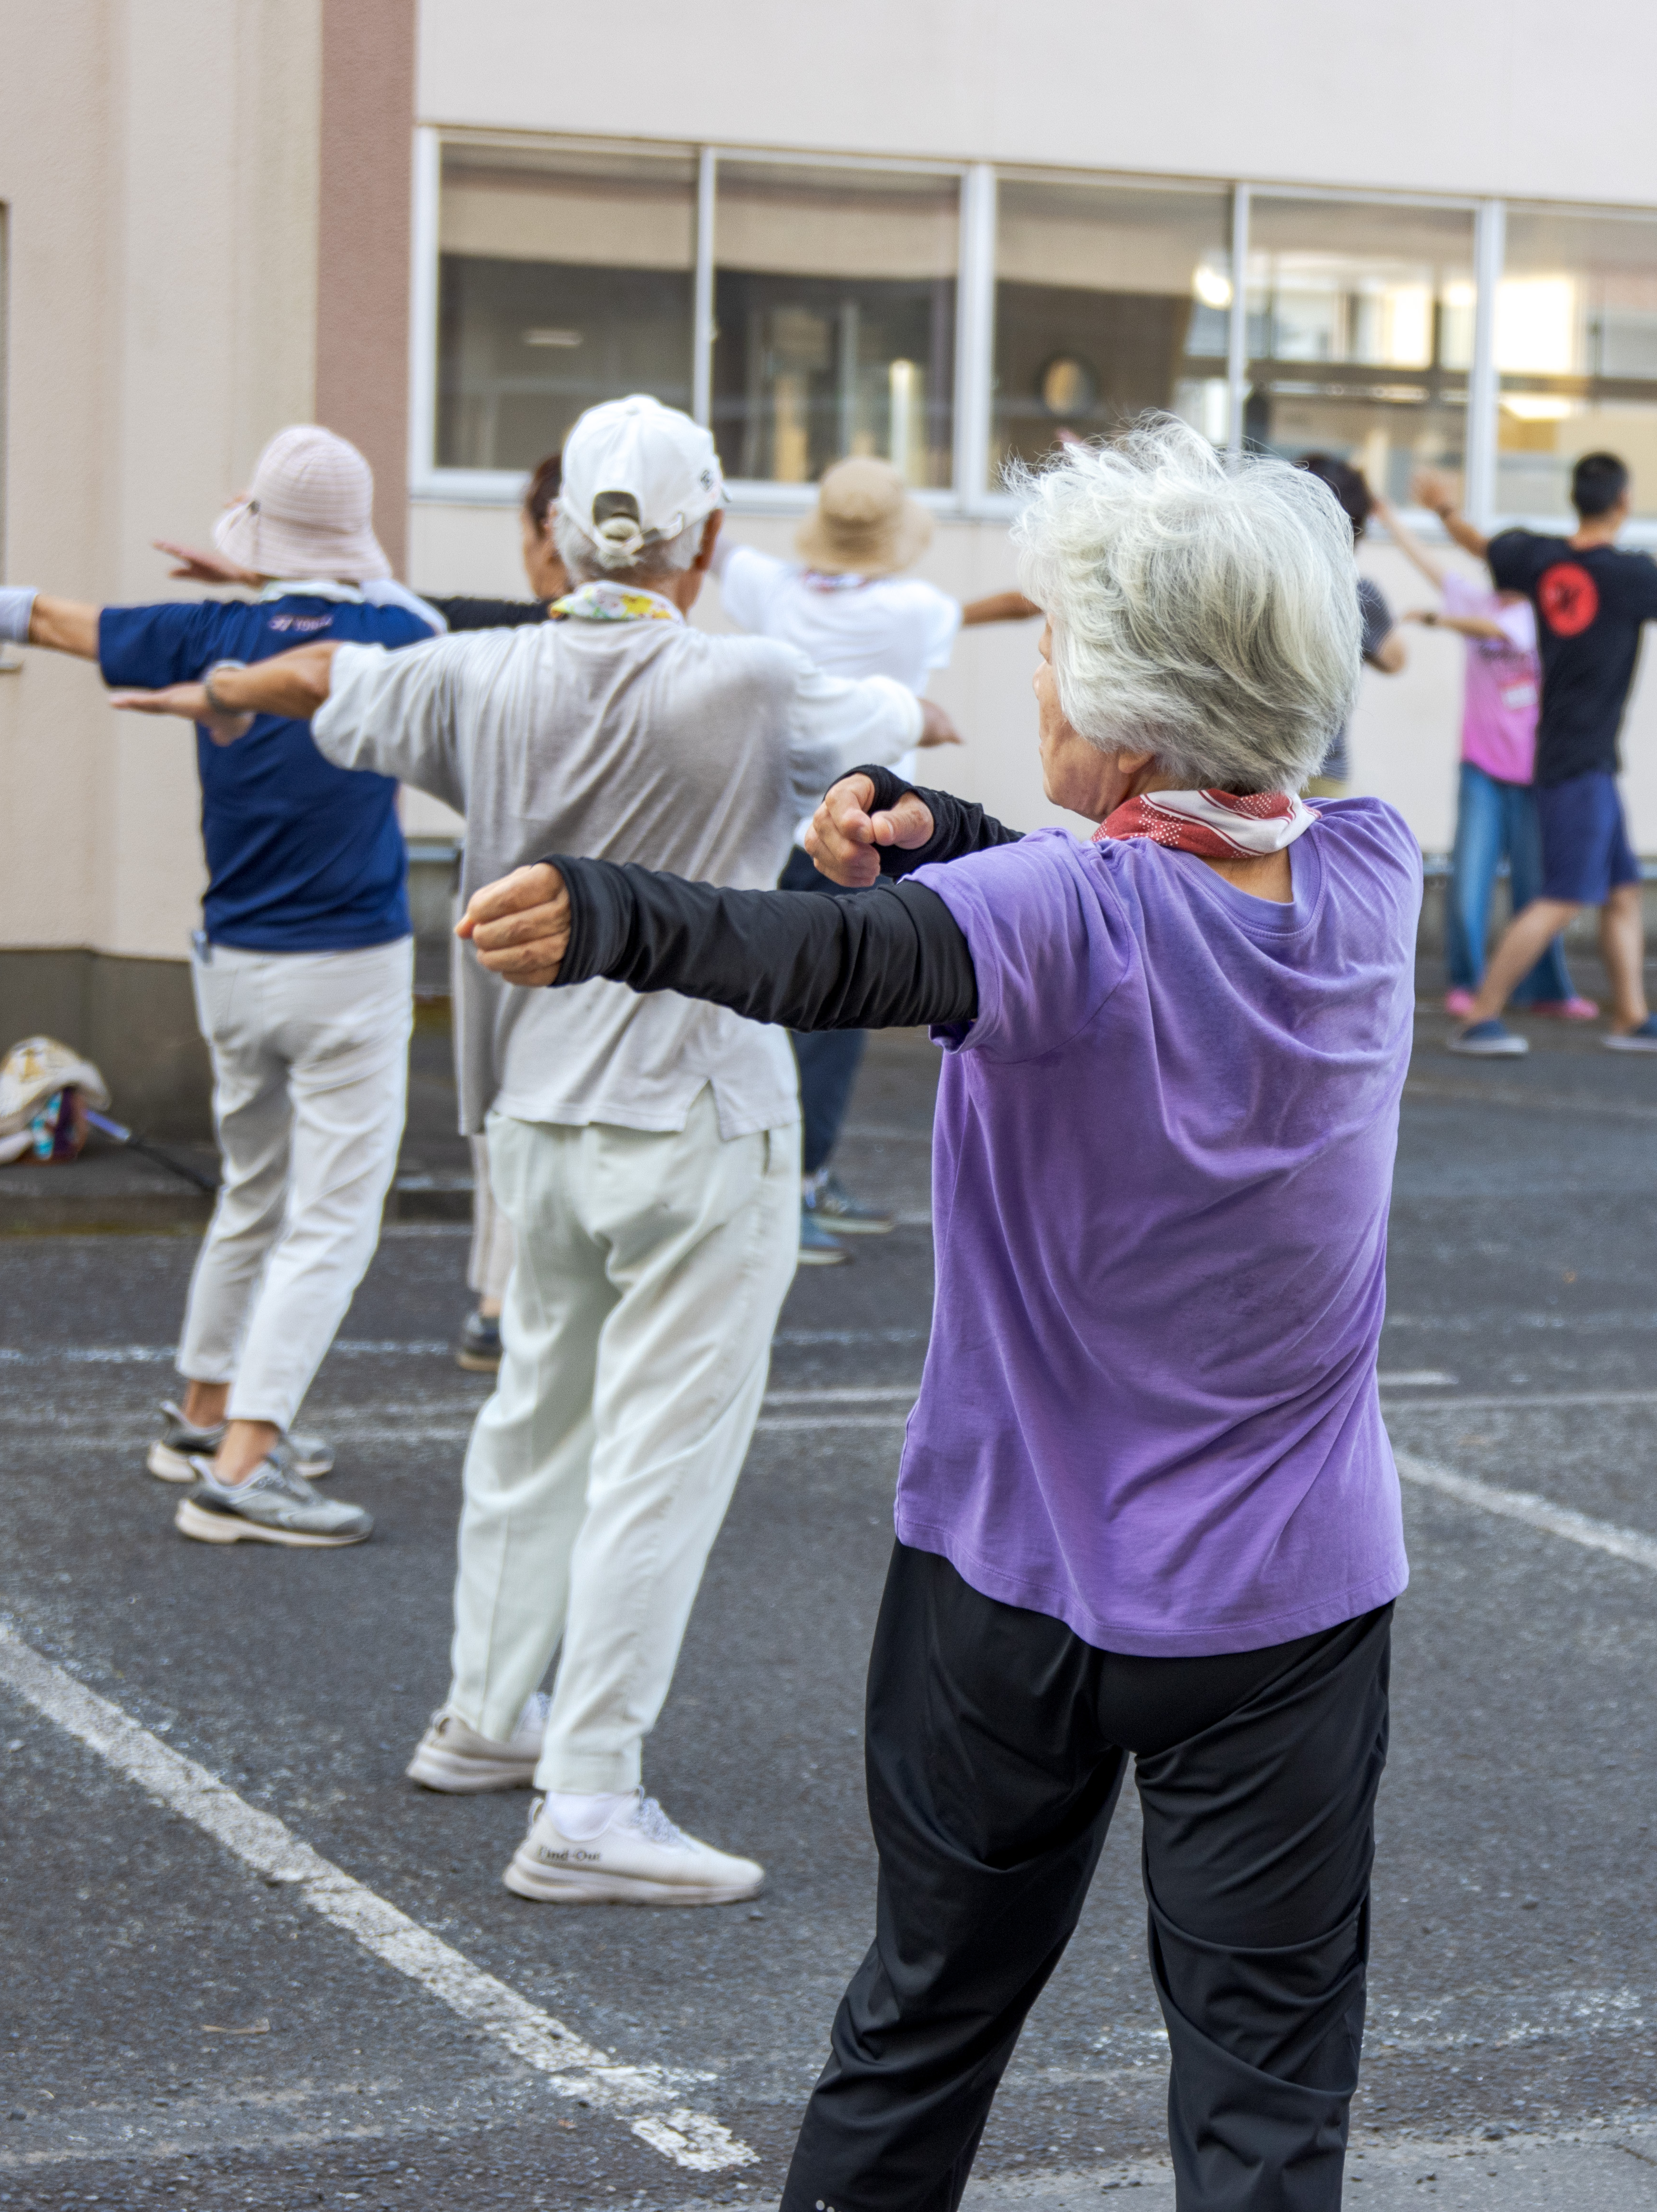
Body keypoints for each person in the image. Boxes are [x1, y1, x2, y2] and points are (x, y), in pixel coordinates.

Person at [453, 417, 1412, 2211]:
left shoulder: (1056, 914)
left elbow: (826, 955)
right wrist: (944, 829)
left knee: (921, 2029)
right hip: (1284, 1607)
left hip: (1009, 1584)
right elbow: (1121, 875)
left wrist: (608, 910)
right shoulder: (1368, 873)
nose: (1032, 668)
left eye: (1052, 642)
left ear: (1120, 710)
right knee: (1267, 2096)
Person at [112, 395, 942, 1901]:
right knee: (660, 1457)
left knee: (539, 1421)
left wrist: (221, 678)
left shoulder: (479, 670)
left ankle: (490, 1715)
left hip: (538, 1111)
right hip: (702, 1110)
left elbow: (327, 671)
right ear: (702, 539)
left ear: (561, 536)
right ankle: (592, 1797)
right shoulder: (750, 675)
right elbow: (902, 732)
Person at [0, 424, 446, 1551]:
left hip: (232, 972)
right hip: (348, 970)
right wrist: (307, 563)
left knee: (255, 1196)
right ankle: (245, 1469)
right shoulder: (404, 632)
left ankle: (201, 1417)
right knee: (332, 1221)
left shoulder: (208, 631)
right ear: (352, 538)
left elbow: (33, 615)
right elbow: (395, 600)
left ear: (261, 536)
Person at [157, 454, 569, 1364]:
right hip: (536, 915)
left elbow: (404, 627)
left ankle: (219, 1420)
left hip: (486, 906)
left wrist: (282, 576)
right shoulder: (536, 639)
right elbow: (408, 625)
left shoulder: (517, 634)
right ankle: (244, 1443)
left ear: (552, 531)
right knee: (360, 1198)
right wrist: (303, 573)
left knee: (277, 1195)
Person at [713, 454, 1028, 1263]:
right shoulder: (914, 609)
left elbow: (715, 547)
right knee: (833, 1022)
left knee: (793, 1011)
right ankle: (798, 1188)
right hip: (867, 837)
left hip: (782, 833)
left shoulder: (771, 591)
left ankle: (805, 1177)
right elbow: (1004, 604)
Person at [1416, 453, 1657, 1056]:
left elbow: (1480, 545)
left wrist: (1444, 508)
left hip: (1575, 754)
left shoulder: (1538, 557)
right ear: (1624, 501)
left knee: (1624, 889)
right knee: (1564, 896)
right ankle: (1481, 1015)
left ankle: (1631, 1016)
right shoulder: (1631, 575)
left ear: (1575, 498)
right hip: (1578, 762)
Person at [1378, 492, 1589, 1020]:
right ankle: (1465, 983)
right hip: (1482, 768)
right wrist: (1388, 514)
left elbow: (1501, 631)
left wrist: (1437, 619)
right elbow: (1426, 563)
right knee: (1470, 879)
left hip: (1536, 774)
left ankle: (1542, 986)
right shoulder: (1477, 602)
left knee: (1535, 888)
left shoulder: (1544, 618)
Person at [1294, 451, 1409, 803]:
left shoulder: (1258, 587)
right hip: (1322, 769)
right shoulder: (1360, 597)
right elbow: (1395, 659)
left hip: (1245, 768)